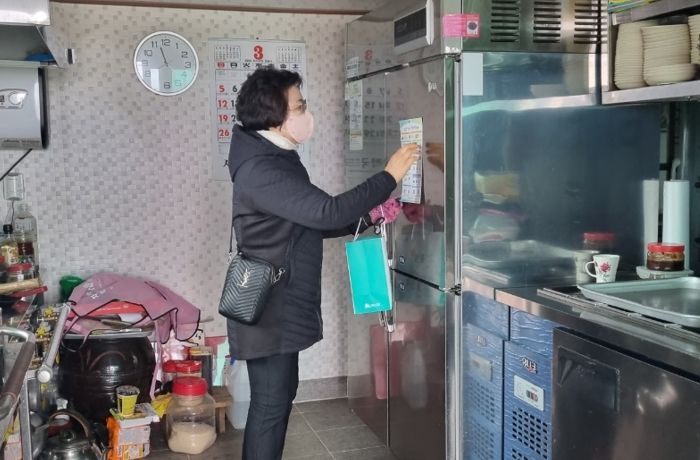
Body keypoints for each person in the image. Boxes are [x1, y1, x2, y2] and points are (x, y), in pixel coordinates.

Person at [226, 67, 419, 460]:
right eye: (299, 106)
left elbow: (310, 221)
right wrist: (388, 177)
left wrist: (371, 215)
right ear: (275, 115)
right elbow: (327, 211)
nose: (306, 112)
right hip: (270, 307)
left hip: (279, 301)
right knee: (270, 406)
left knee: (279, 398)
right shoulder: (262, 169)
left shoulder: (275, 156)